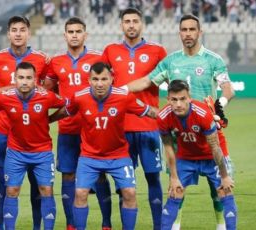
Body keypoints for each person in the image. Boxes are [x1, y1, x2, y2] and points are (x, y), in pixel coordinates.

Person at [126, 14, 235, 230]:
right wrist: (120, 89)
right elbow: (148, 81)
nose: (188, 34)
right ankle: (175, 226)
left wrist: (220, 105)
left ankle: (222, 225)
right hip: (179, 135)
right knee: (176, 186)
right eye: (184, 30)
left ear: (199, 32)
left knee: (219, 188)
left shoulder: (213, 60)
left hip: (207, 129)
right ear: (179, 33)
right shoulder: (171, 61)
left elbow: (228, 89)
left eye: (192, 29)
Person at [50, 62, 158, 230]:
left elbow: (149, 111)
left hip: (119, 156)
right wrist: (47, 120)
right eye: (95, 79)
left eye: (103, 79)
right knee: (80, 193)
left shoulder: (124, 96)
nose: (99, 84)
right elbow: (66, 111)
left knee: (129, 193)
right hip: (89, 156)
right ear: (89, 80)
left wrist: (173, 118)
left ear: (111, 79)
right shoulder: (80, 97)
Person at [44, 17, 112, 230]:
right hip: (68, 128)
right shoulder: (56, 62)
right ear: (64, 35)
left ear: (85, 34)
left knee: (99, 174)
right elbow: (48, 90)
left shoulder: (97, 58)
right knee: (68, 174)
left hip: (94, 128)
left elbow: (109, 86)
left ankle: (106, 223)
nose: (74, 35)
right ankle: (71, 224)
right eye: (70, 31)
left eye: (78, 31)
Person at [101, 8, 167, 230]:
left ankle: (158, 226)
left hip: (148, 126)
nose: (131, 25)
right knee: (123, 182)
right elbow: (102, 83)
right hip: (120, 127)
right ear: (121, 25)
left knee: (153, 178)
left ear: (142, 24)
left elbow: (167, 80)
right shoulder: (110, 51)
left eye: (135, 21)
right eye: (127, 21)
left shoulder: (157, 51)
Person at [0, 15, 48, 230]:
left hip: (34, 134)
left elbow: (47, 90)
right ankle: (2, 226)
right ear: (8, 33)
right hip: (4, 131)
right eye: (14, 30)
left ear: (28, 33)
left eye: (22, 30)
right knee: (3, 183)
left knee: (38, 185)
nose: (18, 34)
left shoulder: (41, 59)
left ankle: (38, 226)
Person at [0, 62, 66, 230]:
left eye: (29, 78)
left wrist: (51, 119)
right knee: (12, 191)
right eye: (21, 77)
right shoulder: (4, 97)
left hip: (42, 152)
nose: (24, 81)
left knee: (46, 190)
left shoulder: (47, 96)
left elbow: (68, 105)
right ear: (15, 79)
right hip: (16, 152)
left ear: (35, 80)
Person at [157, 80, 237, 230]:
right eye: (174, 99)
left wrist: (225, 176)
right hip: (186, 157)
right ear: (168, 99)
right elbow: (169, 149)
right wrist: (173, 178)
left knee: (224, 190)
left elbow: (215, 147)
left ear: (189, 98)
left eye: (182, 99)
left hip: (211, 157)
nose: (178, 104)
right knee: (175, 192)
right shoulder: (163, 116)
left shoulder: (202, 113)